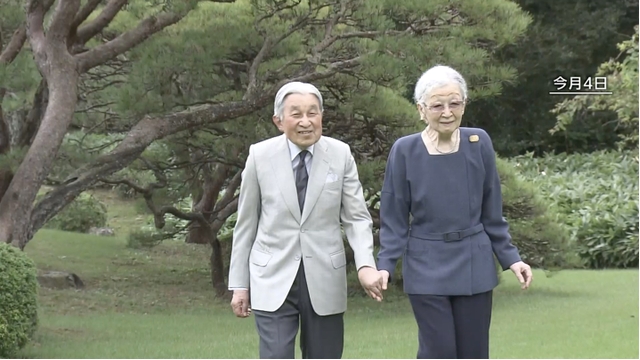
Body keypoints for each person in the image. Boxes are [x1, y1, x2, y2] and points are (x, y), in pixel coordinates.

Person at [376, 65, 533, 359]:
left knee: (474, 352)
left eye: (454, 103)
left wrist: (512, 258)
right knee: (439, 351)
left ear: (464, 105)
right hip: (425, 264)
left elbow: (492, 211)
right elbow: (394, 217)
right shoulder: (405, 150)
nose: (447, 112)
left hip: (473, 260)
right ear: (421, 109)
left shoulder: (479, 142)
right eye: (437, 105)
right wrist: (385, 264)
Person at [227, 81, 384, 359]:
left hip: (325, 276)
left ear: (321, 116)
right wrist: (240, 285)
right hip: (271, 276)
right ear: (278, 121)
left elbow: (357, 218)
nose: (305, 122)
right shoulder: (260, 156)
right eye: (296, 114)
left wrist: (365, 265)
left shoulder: (340, 154)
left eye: (313, 113)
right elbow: (246, 224)